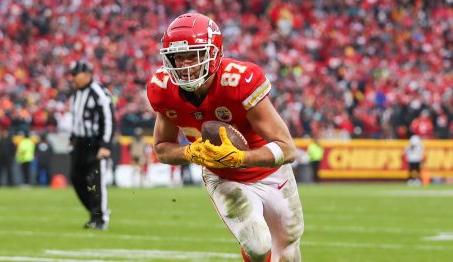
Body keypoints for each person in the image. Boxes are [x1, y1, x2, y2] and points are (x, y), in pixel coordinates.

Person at [147, 13, 304, 262]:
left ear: (213, 54)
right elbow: (162, 148)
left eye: (193, 56)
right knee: (257, 245)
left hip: (271, 174)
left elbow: (287, 149)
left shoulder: (239, 81)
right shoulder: (163, 90)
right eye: (178, 57)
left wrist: (240, 157)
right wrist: (190, 152)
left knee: (287, 251)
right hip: (223, 177)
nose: (185, 65)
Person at [68, 60, 115, 230]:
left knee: (95, 180)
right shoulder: (75, 94)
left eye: (75, 74)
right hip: (79, 143)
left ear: (87, 74)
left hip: (94, 143)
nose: (73, 78)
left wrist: (105, 145)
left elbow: (108, 119)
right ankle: (95, 214)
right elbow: (76, 120)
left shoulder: (99, 92)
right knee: (76, 178)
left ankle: (100, 218)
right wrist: (72, 139)